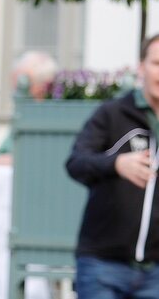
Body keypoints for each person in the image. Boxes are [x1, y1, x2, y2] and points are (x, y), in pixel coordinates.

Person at [66, 33, 159, 297]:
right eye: (157, 63)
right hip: (102, 265)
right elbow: (76, 162)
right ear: (141, 67)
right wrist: (116, 164)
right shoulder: (113, 113)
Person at [0, 50, 58, 165]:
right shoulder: (22, 116)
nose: (15, 92)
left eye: (23, 86)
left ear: (42, 87)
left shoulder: (53, 117)